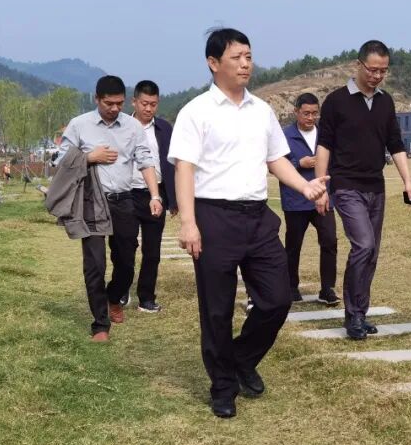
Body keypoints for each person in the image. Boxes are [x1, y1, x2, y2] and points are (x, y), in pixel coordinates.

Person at [169, 28, 328, 418]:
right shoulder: (196, 112)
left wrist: (305, 187)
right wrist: (188, 222)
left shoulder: (261, 111)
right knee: (217, 310)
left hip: (257, 218)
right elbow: (184, 169)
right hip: (213, 217)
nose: (245, 64)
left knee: (277, 299)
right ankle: (223, 387)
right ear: (213, 63)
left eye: (249, 56)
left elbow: (276, 160)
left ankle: (240, 358)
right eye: (236, 57)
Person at [314, 40, 411, 340]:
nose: (377, 76)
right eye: (372, 70)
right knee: (363, 245)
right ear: (358, 65)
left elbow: (395, 143)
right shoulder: (336, 101)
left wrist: (408, 181)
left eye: (383, 71)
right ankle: (352, 315)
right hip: (346, 185)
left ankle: (360, 311)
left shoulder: (386, 102)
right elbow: (324, 146)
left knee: (372, 252)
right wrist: (321, 187)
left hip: (376, 186)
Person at [57, 75, 162, 341]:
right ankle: (100, 324)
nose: (114, 108)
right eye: (108, 103)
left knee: (126, 261)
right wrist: (89, 157)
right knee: (95, 263)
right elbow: (59, 160)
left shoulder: (132, 126)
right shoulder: (79, 125)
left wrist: (155, 196)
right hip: (91, 200)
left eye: (119, 103)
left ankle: (114, 296)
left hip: (124, 200)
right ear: (97, 99)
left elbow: (145, 160)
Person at [117, 80, 178, 313]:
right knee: (125, 245)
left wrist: (172, 199)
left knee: (152, 250)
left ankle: (146, 297)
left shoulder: (164, 129)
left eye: (153, 104)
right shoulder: (121, 126)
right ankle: (121, 289)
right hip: (127, 194)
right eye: (144, 103)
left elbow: (172, 165)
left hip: (156, 195)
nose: (148, 108)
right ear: (134, 102)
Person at [280, 93, 339, 305]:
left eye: (315, 113)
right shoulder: (284, 135)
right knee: (293, 245)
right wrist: (299, 163)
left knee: (330, 241)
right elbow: (275, 163)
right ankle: (291, 287)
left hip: (322, 197)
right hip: (295, 200)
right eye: (306, 113)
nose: (311, 117)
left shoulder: (326, 133)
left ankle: (327, 288)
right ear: (296, 112)